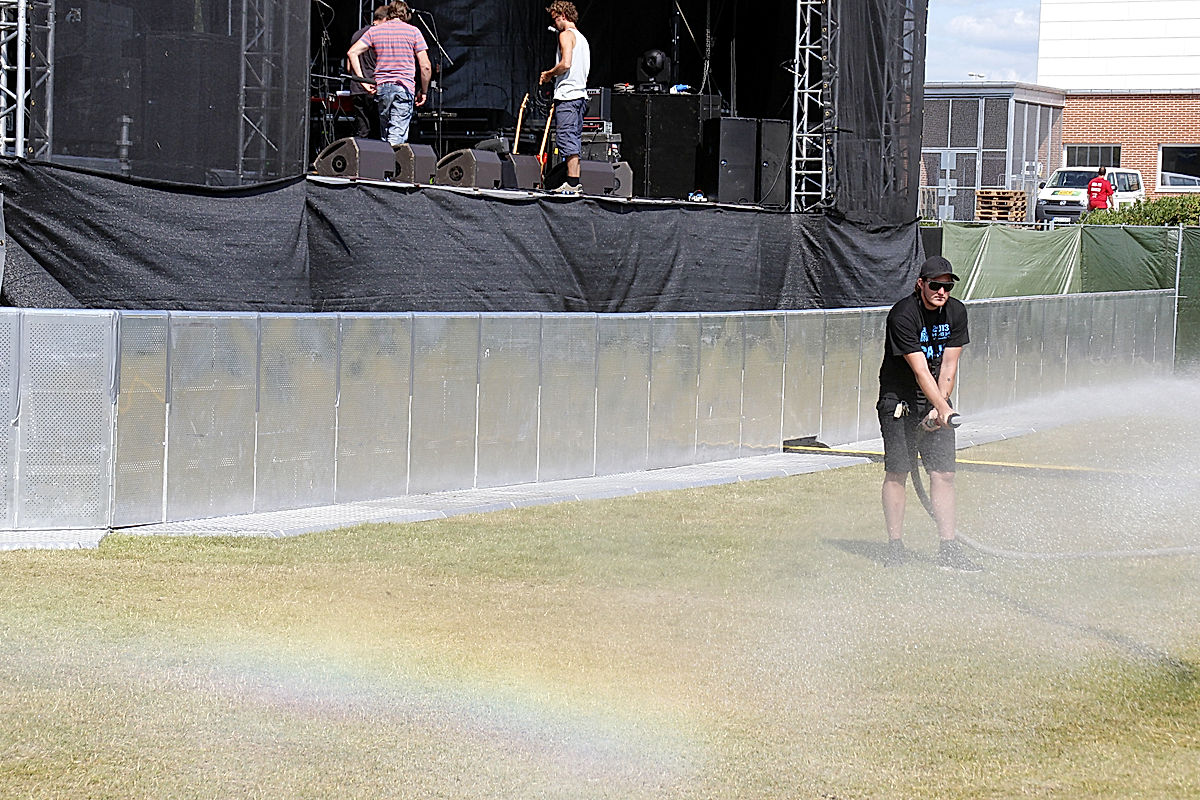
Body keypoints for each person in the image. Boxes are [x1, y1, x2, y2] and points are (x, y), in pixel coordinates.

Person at [877, 255, 981, 572]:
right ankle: (895, 547)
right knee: (899, 472)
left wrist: (941, 408)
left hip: (936, 401)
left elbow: (948, 366)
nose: (942, 292)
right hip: (900, 401)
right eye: (935, 285)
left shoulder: (956, 312)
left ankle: (948, 549)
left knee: (944, 474)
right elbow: (921, 370)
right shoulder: (904, 315)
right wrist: (941, 408)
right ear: (920, 284)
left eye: (947, 286)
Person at [347, 1, 432, 146]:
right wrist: (424, 91)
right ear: (405, 14)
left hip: (382, 88)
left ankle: (385, 163)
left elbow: (352, 52)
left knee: (386, 134)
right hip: (403, 87)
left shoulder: (375, 31)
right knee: (395, 137)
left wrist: (362, 80)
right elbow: (426, 67)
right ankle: (390, 165)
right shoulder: (413, 32)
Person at [539, 1, 591, 195]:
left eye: (555, 18)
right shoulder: (583, 39)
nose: (555, 23)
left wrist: (549, 74)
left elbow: (566, 63)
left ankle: (571, 183)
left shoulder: (566, 35)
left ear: (563, 15)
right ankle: (573, 182)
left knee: (567, 138)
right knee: (574, 139)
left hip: (568, 96)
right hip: (580, 96)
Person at [347, 6, 389, 140]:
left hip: (357, 88)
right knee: (378, 132)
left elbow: (349, 67)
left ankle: (362, 160)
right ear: (386, 19)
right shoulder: (379, 35)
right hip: (373, 86)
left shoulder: (357, 34)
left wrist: (359, 78)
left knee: (363, 131)